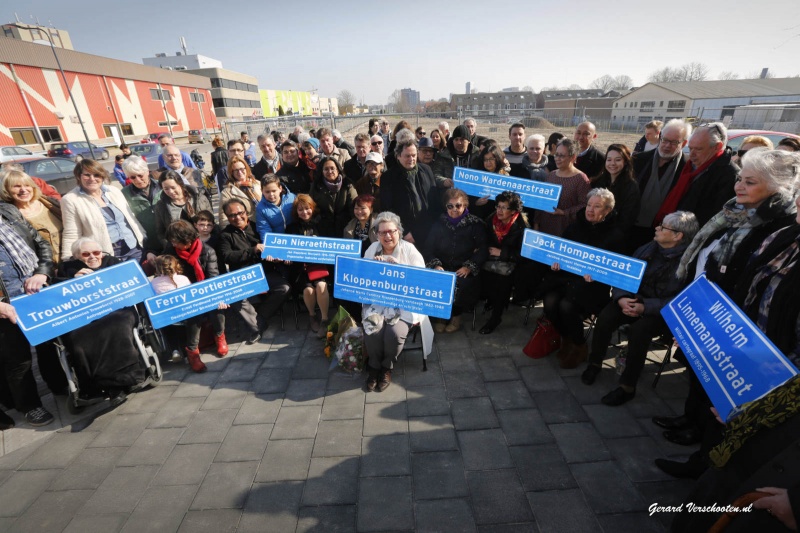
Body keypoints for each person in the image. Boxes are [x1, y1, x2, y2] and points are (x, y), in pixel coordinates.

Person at [654, 148, 800, 476]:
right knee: (701, 378)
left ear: (776, 189)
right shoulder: (739, 213)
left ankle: (703, 460)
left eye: (750, 182)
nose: (739, 187)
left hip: (742, 330)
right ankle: (691, 421)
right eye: (740, 179)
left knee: (721, 400)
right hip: (713, 312)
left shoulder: (777, 223)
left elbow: (750, 274)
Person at [580, 211, 699, 404]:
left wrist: (645, 307)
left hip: (661, 312)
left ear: (678, 236)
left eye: (663, 227)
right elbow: (624, 274)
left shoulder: (690, 264)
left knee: (640, 332)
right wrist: (621, 298)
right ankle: (594, 363)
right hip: (632, 299)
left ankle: (627, 386)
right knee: (606, 317)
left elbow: (680, 300)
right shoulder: (648, 248)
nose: (657, 228)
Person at [538, 188, 623, 369]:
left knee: (567, 305)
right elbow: (560, 251)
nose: (590, 210)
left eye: (597, 206)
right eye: (589, 205)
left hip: (593, 284)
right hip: (567, 277)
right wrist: (556, 262)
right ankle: (566, 337)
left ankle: (579, 345)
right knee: (550, 300)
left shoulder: (615, 235)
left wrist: (598, 273)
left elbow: (615, 269)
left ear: (607, 211)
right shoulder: (574, 226)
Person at [58, 237, 146, 405]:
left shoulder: (112, 262)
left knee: (117, 327)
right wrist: (72, 281)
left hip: (116, 311)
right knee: (77, 341)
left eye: (96, 252)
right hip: (85, 317)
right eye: (86, 254)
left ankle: (119, 383)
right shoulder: (67, 269)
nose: (92, 257)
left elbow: (129, 283)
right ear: (77, 256)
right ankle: (95, 387)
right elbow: (60, 295)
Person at [0, 200, 55, 427]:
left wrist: (42, 272)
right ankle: (30, 406)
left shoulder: (8, 210)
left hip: (35, 293)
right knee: (18, 360)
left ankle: (60, 386)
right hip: (5, 304)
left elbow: (41, 244)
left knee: (49, 344)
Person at [363, 211, 428, 392]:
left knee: (393, 334)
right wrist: (374, 269)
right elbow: (362, 278)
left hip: (404, 304)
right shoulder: (372, 249)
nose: (387, 236)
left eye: (391, 231)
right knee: (373, 330)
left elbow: (421, 280)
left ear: (399, 231)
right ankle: (374, 366)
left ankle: (386, 367)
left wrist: (398, 269)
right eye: (382, 232)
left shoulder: (409, 250)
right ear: (377, 234)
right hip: (377, 302)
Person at [218, 198, 291, 341]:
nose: (237, 217)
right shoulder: (225, 235)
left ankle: (259, 318)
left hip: (265, 272)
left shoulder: (259, 228)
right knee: (236, 297)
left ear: (247, 212)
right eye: (232, 215)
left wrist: (274, 256)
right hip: (243, 276)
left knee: (285, 288)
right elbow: (227, 256)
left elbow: (271, 247)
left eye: (240, 213)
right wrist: (253, 250)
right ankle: (257, 327)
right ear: (227, 217)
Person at [163, 221, 228, 370]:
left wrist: (216, 297)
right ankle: (192, 352)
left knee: (217, 308)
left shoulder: (207, 251)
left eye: (176, 241)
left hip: (205, 289)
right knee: (193, 313)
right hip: (185, 292)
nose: (173, 244)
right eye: (172, 241)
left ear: (187, 240)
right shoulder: (170, 252)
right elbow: (168, 276)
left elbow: (213, 277)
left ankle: (220, 336)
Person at [423, 188, 487, 333]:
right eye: (450, 206)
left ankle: (456, 316)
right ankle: (440, 317)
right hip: (443, 265)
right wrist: (436, 264)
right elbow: (428, 248)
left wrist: (469, 266)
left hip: (463, 266)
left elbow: (483, 249)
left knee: (460, 283)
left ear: (465, 205)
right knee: (437, 280)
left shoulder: (475, 224)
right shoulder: (439, 223)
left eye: (458, 205)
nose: (454, 209)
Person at [653, 121, 737, 227]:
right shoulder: (689, 167)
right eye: (690, 148)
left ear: (717, 147)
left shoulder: (729, 176)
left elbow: (716, 219)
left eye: (698, 149)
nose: (691, 154)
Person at [61, 159, 145, 262]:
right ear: (78, 176)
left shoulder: (113, 191)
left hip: (135, 248)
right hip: (106, 254)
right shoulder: (71, 200)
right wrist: (68, 260)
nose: (92, 179)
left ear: (102, 176)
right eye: (87, 175)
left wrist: (144, 238)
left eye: (96, 175)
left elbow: (130, 217)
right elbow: (72, 233)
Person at [630, 119, 691, 250]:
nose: (667, 146)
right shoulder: (639, 160)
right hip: (630, 226)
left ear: (684, 143)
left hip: (663, 233)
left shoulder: (688, 169)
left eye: (674, 142)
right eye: (665, 140)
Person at [479, 191, 529, 335]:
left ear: (513, 211)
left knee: (503, 282)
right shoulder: (491, 219)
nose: (499, 211)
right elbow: (484, 238)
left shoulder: (522, 226)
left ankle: (496, 318)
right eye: (498, 206)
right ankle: (490, 301)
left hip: (513, 264)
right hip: (491, 259)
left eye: (504, 208)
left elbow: (524, 255)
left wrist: (502, 254)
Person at [285, 195, 331, 337]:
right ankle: (312, 316)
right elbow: (287, 249)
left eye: (307, 208)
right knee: (308, 291)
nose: (304, 212)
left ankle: (324, 319)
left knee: (321, 287)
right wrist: (288, 258)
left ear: (312, 208)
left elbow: (332, 245)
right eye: (300, 210)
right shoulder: (292, 228)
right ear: (296, 212)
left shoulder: (323, 224)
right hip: (301, 269)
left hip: (320, 266)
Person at [381, 139, 440, 245]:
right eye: (407, 156)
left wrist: (435, 227)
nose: (411, 159)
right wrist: (404, 231)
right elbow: (388, 208)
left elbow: (435, 200)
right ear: (398, 156)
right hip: (406, 235)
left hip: (429, 230)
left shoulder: (426, 170)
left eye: (414, 155)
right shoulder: (388, 177)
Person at [1, 170, 63, 265]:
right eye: (16, 186)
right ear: (6, 190)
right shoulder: (8, 216)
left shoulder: (48, 203)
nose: (23, 190)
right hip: (44, 269)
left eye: (27, 185)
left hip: (70, 261)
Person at [534, 139, 591, 238]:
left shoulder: (581, 179)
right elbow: (541, 201)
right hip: (545, 228)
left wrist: (564, 212)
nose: (557, 158)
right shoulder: (551, 175)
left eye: (562, 156)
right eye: (556, 154)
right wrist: (536, 224)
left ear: (573, 157)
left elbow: (585, 205)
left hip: (567, 230)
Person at [154, 170, 212, 250]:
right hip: (180, 249)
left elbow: (211, 221)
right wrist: (171, 246)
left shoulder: (199, 198)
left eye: (173, 187)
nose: (170, 192)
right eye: (166, 189)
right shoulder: (161, 206)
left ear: (180, 184)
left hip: (205, 244)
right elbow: (160, 232)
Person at [592, 144, 640, 236]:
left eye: (618, 160)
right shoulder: (598, 181)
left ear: (625, 162)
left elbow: (627, 219)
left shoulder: (631, 187)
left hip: (613, 236)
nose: (612, 163)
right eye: (609, 160)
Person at [121, 155, 163, 257]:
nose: (138, 180)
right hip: (149, 245)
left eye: (140, 175)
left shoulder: (163, 186)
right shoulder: (123, 194)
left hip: (170, 239)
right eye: (133, 177)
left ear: (147, 171)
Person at [309, 157, 357, 238]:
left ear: (338, 170)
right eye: (326, 169)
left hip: (345, 227)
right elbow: (311, 207)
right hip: (323, 229)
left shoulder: (348, 184)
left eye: (332, 168)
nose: (330, 171)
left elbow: (353, 207)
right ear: (322, 171)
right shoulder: (316, 186)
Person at [218, 156, 261, 229]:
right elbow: (224, 219)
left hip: (264, 226)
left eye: (242, 169)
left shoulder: (258, 184)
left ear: (246, 168)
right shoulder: (227, 193)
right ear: (231, 173)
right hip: (246, 230)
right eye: (236, 170)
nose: (240, 172)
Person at [256, 174, 296, 239]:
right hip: (278, 239)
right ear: (262, 191)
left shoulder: (291, 198)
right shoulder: (261, 208)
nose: (271, 194)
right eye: (267, 192)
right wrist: (269, 245)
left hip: (295, 236)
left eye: (274, 191)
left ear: (280, 188)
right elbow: (264, 230)